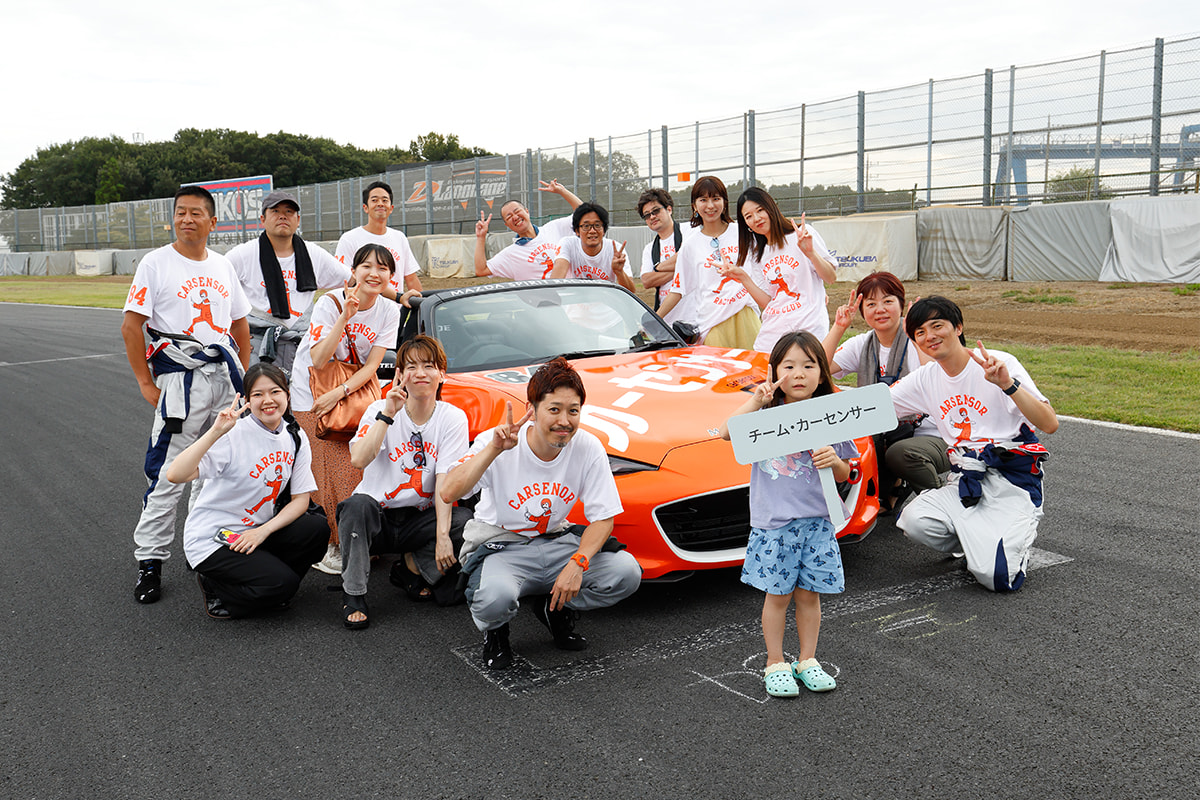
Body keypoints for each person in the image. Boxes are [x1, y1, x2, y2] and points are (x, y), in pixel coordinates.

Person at [441, 357, 642, 671]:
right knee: (495, 598)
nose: (565, 420)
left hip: (556, 542)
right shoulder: (496, 442)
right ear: (531, 411)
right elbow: (449, 492)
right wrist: (493, 450)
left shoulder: (587, 446)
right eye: (554, 409)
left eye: (573, 410)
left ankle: (554, 608)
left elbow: (603, 517)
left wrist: (578, 563)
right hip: (502, 546)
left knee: (625, 573)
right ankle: (496, 631)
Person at [121, 185, 252, 604]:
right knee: (165, 473)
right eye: (181, 213)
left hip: (223, 379)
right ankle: (150, 561)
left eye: (196, 213)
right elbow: (131, 325)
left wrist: (243, 378)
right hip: (181, 380)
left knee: (218, 470)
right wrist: (145, 381)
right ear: (172, 218)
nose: (187, 219)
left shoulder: (222, 265)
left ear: (213, 222)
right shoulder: (156, 263)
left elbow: (240, 326)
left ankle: (206, 551)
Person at [720, 331, 858, 697]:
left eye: (810, 365)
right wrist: (756, 400)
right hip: (776, 525)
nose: (800, 373)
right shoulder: (765, 414)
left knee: (810, 595)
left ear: (822, 372)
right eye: (790, 366)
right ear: (774, 371)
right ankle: (775, 661)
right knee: (777, 597)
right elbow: (724, 432)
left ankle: (808, 659)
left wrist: (836, 463)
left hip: (817, 522)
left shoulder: (830, 415)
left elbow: (847, 469)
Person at [889, 296, 1058, 592]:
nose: (930, 336)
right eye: (920, 332)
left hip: (1012, 481)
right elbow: (870, 408)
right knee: (914, 521)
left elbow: (1049, 423)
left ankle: (1009, 542)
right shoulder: (925, 378)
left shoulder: (998, 363)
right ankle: (978, 540)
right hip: (965, 480)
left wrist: (1008, 385)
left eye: (937, 325)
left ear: (958, 327)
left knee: (998, 579)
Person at [165, 363, 329, 618]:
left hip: (254, 532)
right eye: (258, 395)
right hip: (213, 538)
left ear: (287, 394)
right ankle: (217, 587)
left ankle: (269, 584)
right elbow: (176, 474)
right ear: (247, 400)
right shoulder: (233, 434)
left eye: (275, 392)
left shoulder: (295, 436)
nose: (268, 401)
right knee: (282, 585)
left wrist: (262, 532)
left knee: (316, 530)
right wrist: (215, 432)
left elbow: (301, 501)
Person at [336, 335, 473, 629]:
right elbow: (359, 459)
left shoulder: (452, 418)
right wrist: (387, 414)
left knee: (464, 522)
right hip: (379, 518)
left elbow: (445, 481)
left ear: (442, 374)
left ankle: (411, 568)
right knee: (355, 506)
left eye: (428, 365)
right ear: (400, 374)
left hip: (419, 518)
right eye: (411, 366)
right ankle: (355, 594)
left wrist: (442, 537)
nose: (420, 373)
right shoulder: (378, 409)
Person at [290, 244, 402, 574]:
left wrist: (339, 392)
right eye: (366, 266)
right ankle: (330, 545)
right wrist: (345, 316)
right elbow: (318, 358)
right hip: (311, 393)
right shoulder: (329, 302)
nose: (374, 273)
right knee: (327, 469)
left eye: (382, 268)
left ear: (390, 276)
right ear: (353, 272)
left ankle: (356, 537)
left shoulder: (389, 311)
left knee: (356, 467)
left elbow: (372, 366)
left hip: (347, 394)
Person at [821, 272, 949, 511]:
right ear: (863, 312)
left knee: (899, 452)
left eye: (888, 301)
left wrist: (915, 332)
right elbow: (819, 370)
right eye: (871, 304)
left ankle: (943, 507)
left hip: (927, 432)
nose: (879, 309)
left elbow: (933, 378)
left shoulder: (919, 339)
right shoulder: (863, 344)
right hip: (885, 431)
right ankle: (888, 491)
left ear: (902, 305)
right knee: (858, 431)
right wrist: (839, 327)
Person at [225, 191, 351, 373]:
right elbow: (219, 293)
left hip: (301, 343)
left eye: (289, 212)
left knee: (304, 400)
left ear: (298, 219)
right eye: (275, 211)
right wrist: (235, 339)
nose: (283, 216)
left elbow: (354, 281)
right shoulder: (243, 254)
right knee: (259, 399)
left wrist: (398, 296)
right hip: (258, 345)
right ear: (263, 219)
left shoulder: (313, 253)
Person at [725, 187, 838, 353]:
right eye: (748, 216)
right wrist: (744, 279)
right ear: (745, 224)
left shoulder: (801, 236)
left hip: (808, 328)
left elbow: (830, 277)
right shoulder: (758, 254)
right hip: (772, 332)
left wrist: (811, 253)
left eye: (760, 210)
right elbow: (769, 302)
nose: (756, 219)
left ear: (771, 207)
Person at [656, 176, 761, 349]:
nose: (710, 206)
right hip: (712, 323)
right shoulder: (690, 245)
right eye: (703, 200)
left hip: (745, 315)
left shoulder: (743, 233)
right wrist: (654, 320)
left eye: (716, 199)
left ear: (725, 202)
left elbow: (765, 266)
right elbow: (677, 290)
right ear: (694, 205)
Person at [472, 179, 583, 280]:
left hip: (572, 294)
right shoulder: (511, 254)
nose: (515, 217)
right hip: (544, 301)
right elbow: (481, 270)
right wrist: (481, 237)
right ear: (507, 225)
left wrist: (562, 191)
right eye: (509, 217)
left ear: (527, 211)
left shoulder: (553, 228)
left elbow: (583, 215)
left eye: (517, 211)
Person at [335, 181, 422, 295]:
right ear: (365, 208)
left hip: (395, 311)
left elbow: (411, 278)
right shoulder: (349, 239)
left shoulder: (399, 238)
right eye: (374, 200)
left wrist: (421, 304)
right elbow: (344, 281)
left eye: (385, 200)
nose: (380, 204)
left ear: (391, 208)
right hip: (361, 311)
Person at [549, 202, 634, 291]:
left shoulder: (616, 250)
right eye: (586, 226)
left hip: (605, 301)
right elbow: (556, 279)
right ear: (577, 231)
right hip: (575, 301)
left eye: (597, 225)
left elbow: (631, 290)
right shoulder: (568, 244)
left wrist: (619, 272)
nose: (592, 231)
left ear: (604, 230)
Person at [635, 188, 689, 318]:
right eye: (647, 215)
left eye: (656, 211)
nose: (652, 217)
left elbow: (691, 259)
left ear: (669, 209)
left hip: (694, 316)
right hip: (667, 321)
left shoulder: (689, 230)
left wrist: (659, 267)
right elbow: (647, 281)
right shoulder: (650, 248)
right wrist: (683, 268)